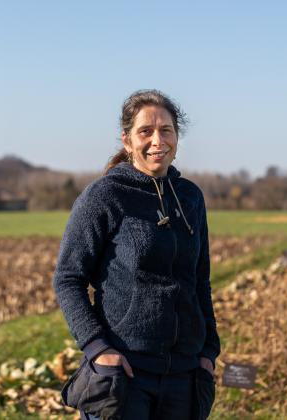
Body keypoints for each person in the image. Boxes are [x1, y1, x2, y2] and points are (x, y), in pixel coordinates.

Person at [53, 89, 220, 419]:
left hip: (184, 376)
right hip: (126, 373)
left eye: (166, 130)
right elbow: (68, 279)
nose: (157, 140)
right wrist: (97, 349)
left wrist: (209, 351)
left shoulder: (190, 197)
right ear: (127, 141)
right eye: (146, 131)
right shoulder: (105, 196)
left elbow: (200, 280)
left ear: (176, 137)